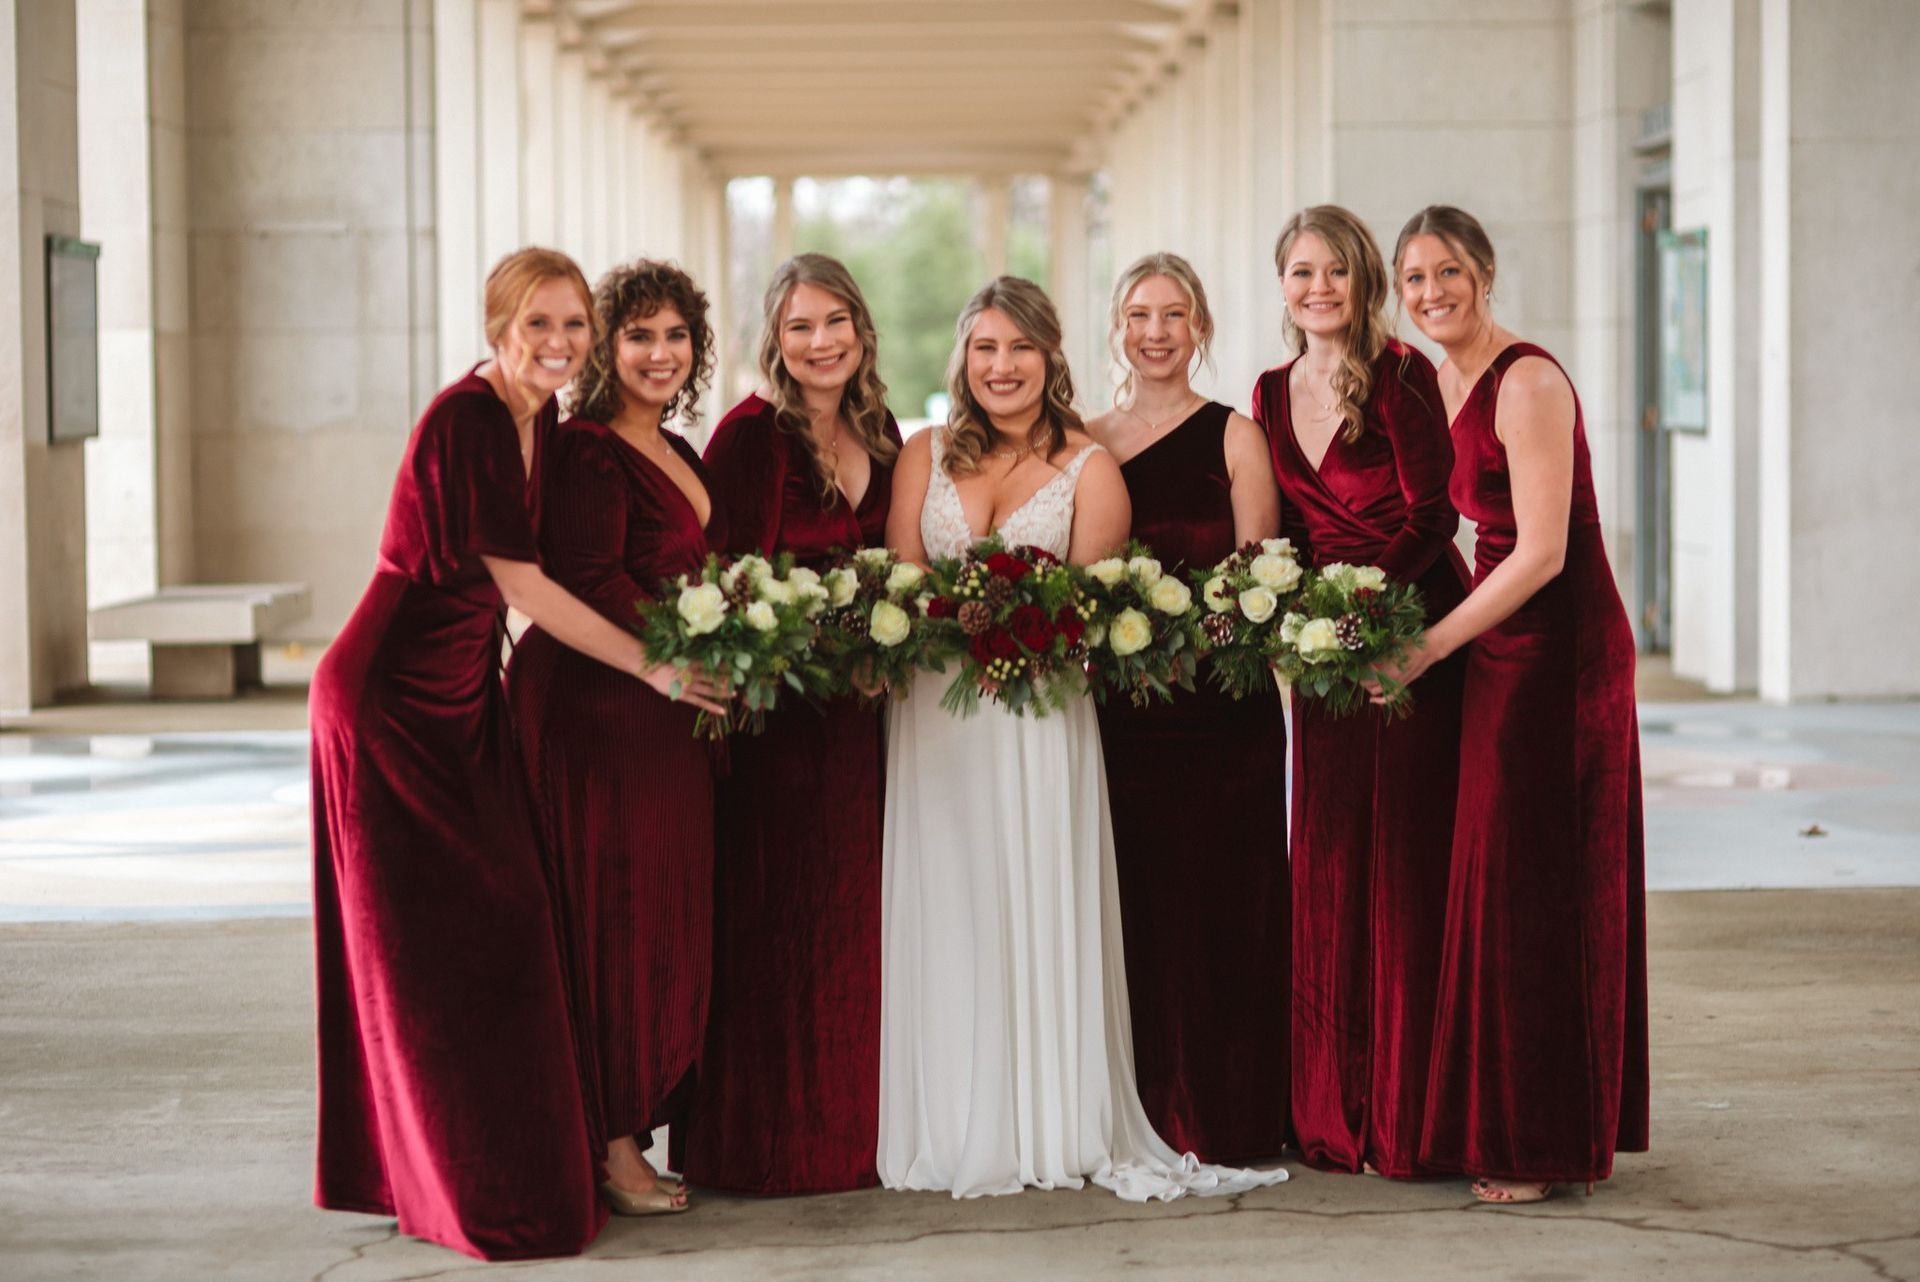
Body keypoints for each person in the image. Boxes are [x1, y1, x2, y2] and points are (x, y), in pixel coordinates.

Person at [310, 248, 711, 1258]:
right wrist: (656, 668)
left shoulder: (546, 423)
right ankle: (445, 1179)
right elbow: (525, 590)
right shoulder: (469, 419)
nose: (561, 344)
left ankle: (474, 1158)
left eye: (575, 325)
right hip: (389, 699)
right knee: (420, 946)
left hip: (464, 699)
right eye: (540, 324)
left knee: (497, 932)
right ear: (497, 325)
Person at [878, 275, 1288, 1201]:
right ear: (963, 358)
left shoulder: (1089, 465)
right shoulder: (922, 453)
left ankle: (1047, 1119)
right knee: (951, 910)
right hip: (936, 731)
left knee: (1035, 902)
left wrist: (1007, 626)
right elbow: (903, 583)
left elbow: (1086, 605)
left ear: (1051, 355)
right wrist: (953, 623)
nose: (1003, 365)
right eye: (985, 348)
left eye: (1020, 347)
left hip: (1037, 721)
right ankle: (949, 1118)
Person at [1382, 204, 1648, 1202]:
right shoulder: (1434, 378)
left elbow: (1541, 550)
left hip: (1561, 653)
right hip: (1499, 645)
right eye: (1413, 278)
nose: (1431, 292)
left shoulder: (1525, 378)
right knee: (1495, 882)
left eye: (1448, 272)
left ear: (1485, 274)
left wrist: (1429, 645)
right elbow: (1431, 518)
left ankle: (1543, 1142)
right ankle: (1501, 1114)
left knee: (1536, 887)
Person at [1249, 206, 1471, 1179]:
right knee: (1331, 860)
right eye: (1301, 272)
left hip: (1411, 637)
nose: (1319, 289)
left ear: (1364, 280)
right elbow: (1281, 532)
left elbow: (1435, 514)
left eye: (1336, 271)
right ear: (1282, 285)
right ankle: (1331, 1108)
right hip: (1321, 649)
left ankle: (1407, 1109)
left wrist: (1361, 612)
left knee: (1407, 866)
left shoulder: (1404, 374)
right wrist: (1294, 622)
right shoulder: (1264, 390)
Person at [506, 259, 729, 1217]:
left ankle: (633, 1116)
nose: (659, 353)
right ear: (604, 346)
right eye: (638, 335)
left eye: (675, 335)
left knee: (658, 913)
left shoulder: (681, 443)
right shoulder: (589, 449)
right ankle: (611, 1143)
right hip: (598, 713)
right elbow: (591, 577)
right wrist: (683, 651)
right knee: (613, 915)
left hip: (663, 711)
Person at [677, 253, 901, 1195]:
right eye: (801, 327)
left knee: (853, 926)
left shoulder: (881, 431)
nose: (822, 343)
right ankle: (763, 1142)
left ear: (862, 329)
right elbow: (722, 589)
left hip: (862, 725)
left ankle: (851, 1136)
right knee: (775, 926)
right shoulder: (749, 438)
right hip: (777, 728)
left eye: (836, 322)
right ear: (775, 339)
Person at [1084, 253, 1290, 1164]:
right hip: (1126, 714)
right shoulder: (1085, 440)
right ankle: (1143, 1111)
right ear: (1118, 328)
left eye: (1174, 314)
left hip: (1226, 714)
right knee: (1138, 908)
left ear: (1200, 327)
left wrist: (1206, 645)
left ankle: (1233, 1112)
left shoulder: (1236, 435)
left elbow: (1260, 574)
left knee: (1228, 909)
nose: (1156, 331)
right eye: (1139, 314)